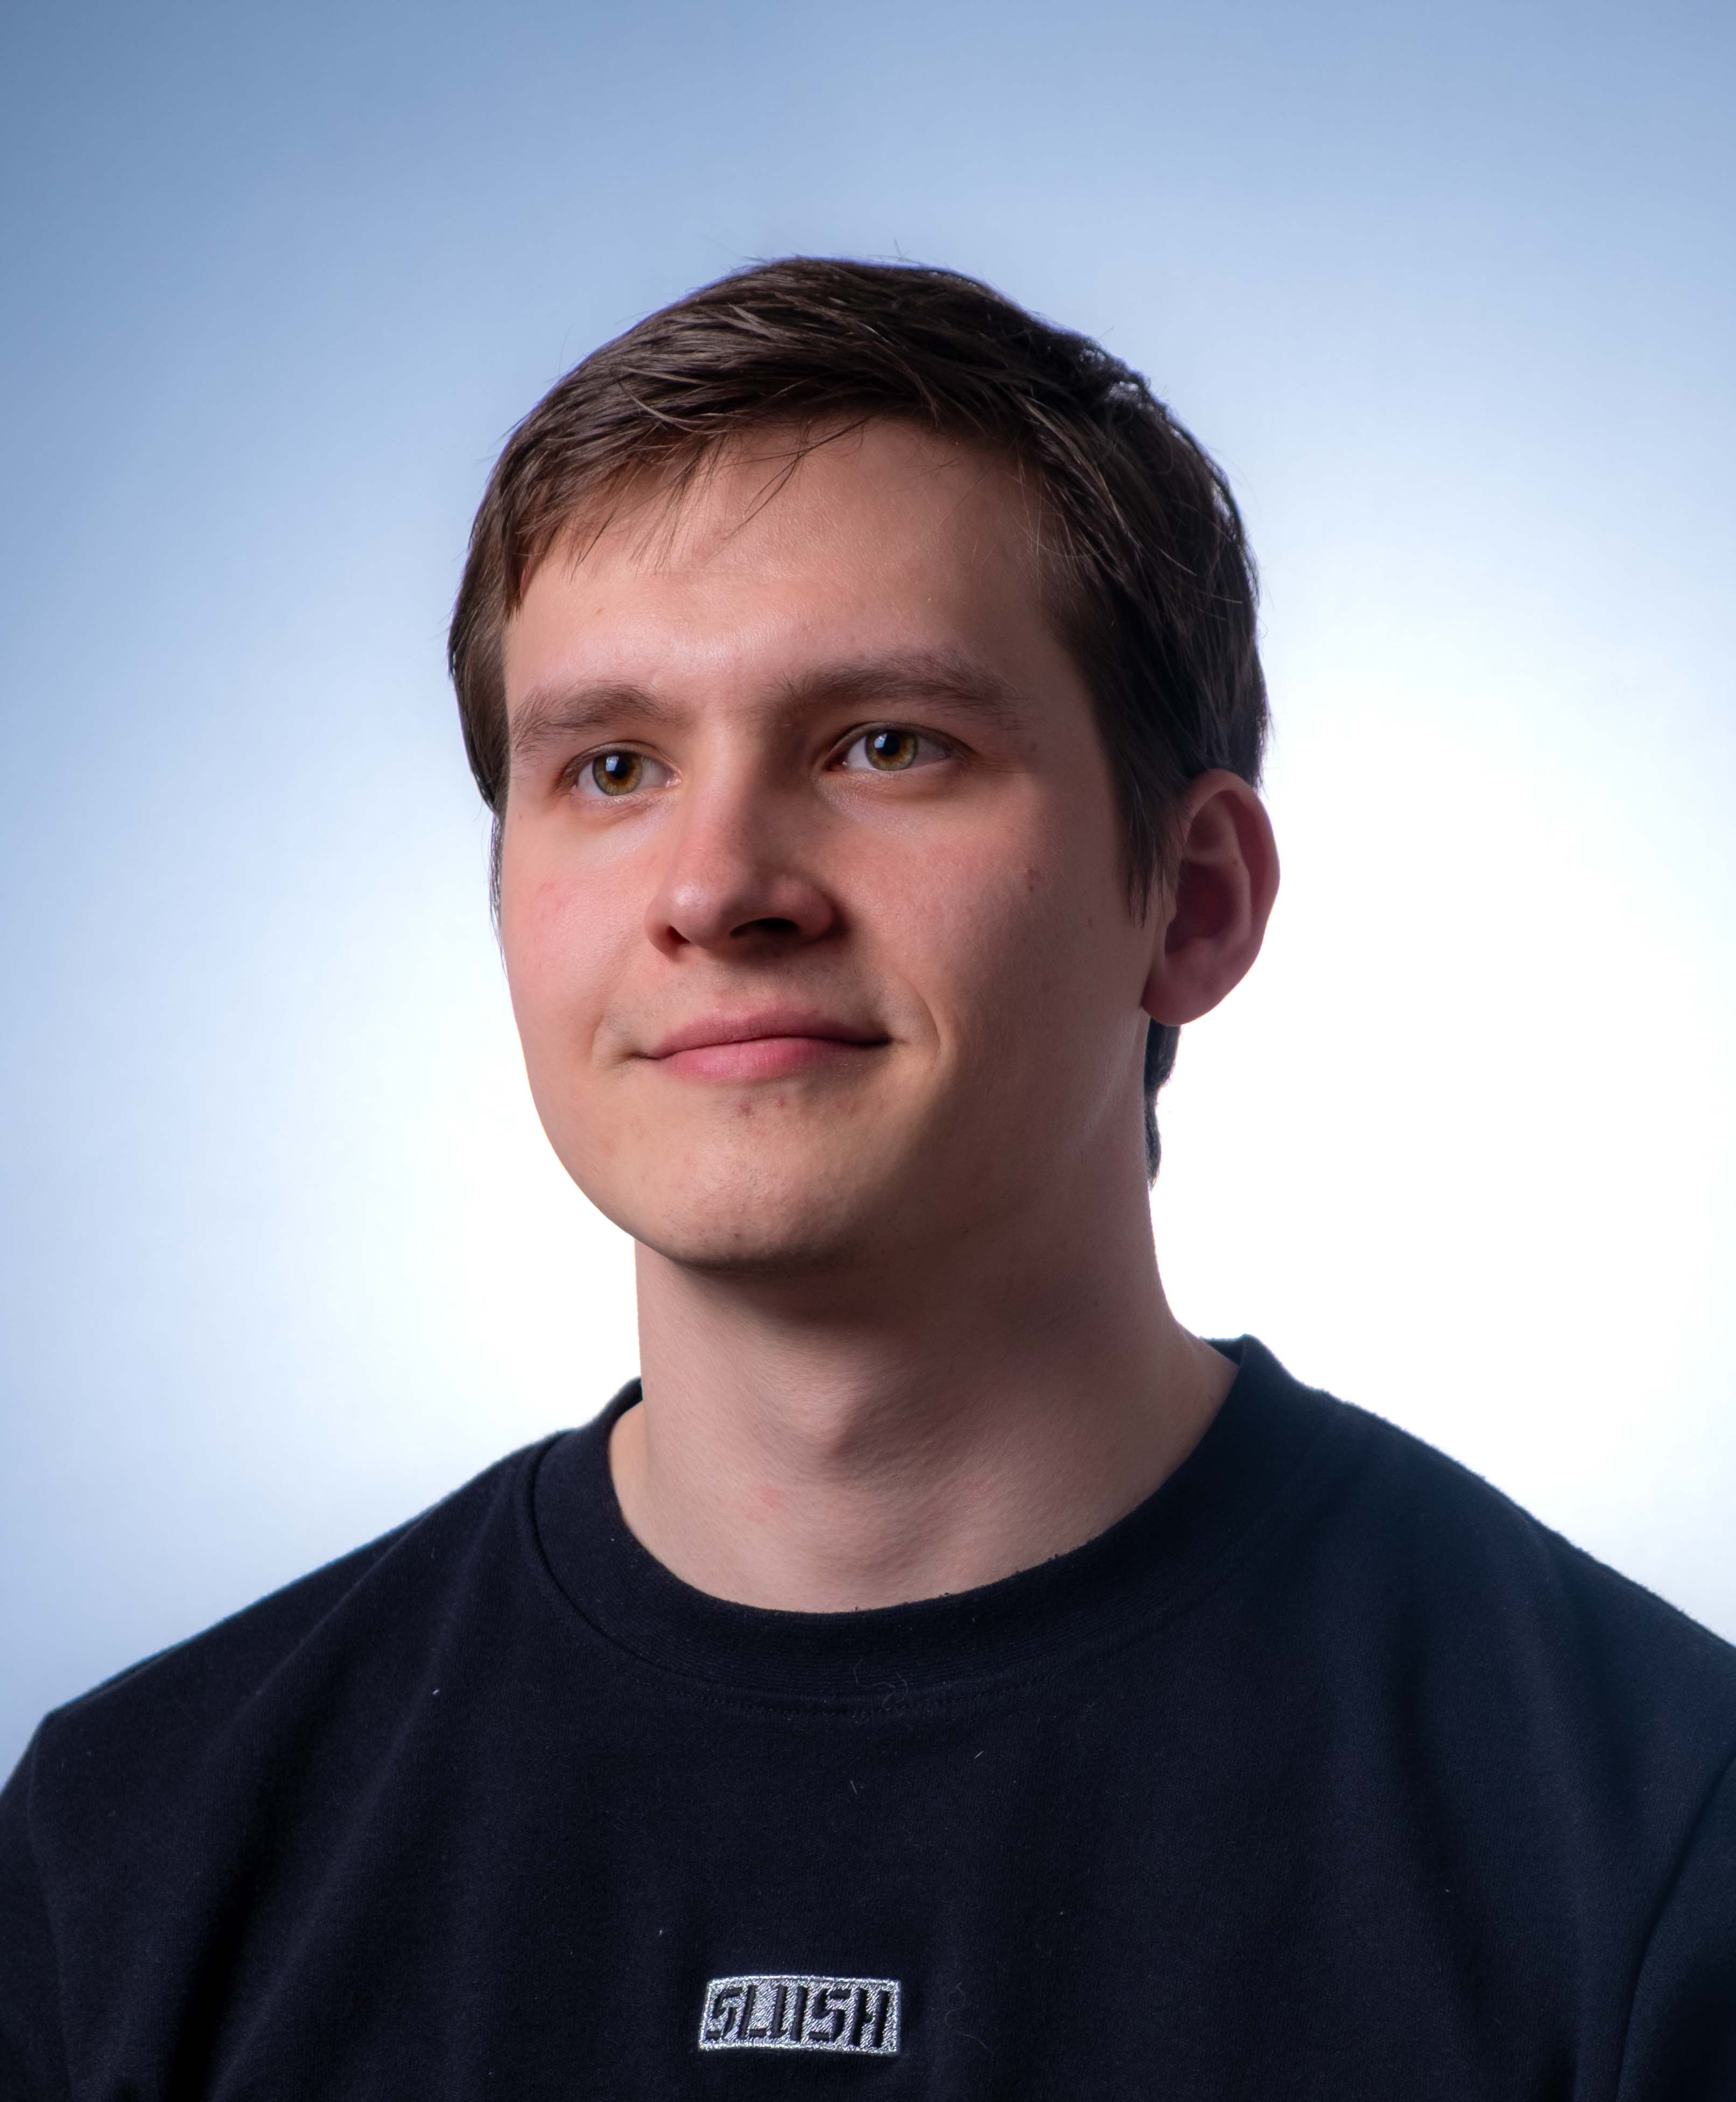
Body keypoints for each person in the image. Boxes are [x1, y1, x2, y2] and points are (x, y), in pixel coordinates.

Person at [2, 258, 1732, 2099]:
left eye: (887, 744)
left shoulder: (1655, 1849)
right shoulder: (122, 1861)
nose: (715, 885)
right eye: (611, 766)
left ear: (1194, 903)